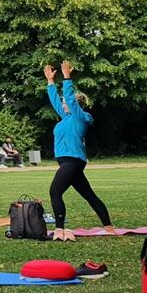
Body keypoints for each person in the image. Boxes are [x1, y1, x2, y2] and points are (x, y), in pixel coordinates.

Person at [46, 61, 112, 241]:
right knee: (89, 195)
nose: (63, 104)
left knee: (55, 192)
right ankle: (109, 227)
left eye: (66, 102)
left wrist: (67, 78)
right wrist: (50, 82)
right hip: (68, 161)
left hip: (72, 161)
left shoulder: (81, 117)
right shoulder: (66, 118)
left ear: (74, 104)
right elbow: (55, 101)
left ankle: (59, 229)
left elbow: (69, 98)